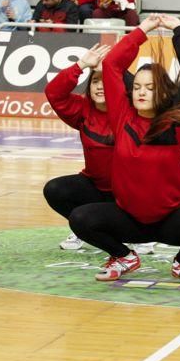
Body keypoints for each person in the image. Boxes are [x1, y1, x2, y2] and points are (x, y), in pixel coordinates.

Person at [70, 13, 180, 285]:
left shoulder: (176, 124)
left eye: (149, 87)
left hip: (170, 221)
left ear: (162, 92)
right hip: (128, 219)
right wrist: (143, 29)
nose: (141, 92)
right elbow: (112, 64)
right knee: (80, 218)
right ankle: (123, 256)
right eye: (136, 86)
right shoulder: (122, 116)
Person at [43, 42, 122, 250]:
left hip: (130, 192)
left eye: (106, 81)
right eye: (95, 81)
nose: (100, 86)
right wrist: (81, 65)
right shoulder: (83, 109)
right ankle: (85, 228)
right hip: (95, 187)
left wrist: (113, 68)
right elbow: (54, 93)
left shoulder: (131, 112)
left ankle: (138, 233)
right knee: (54, 189)